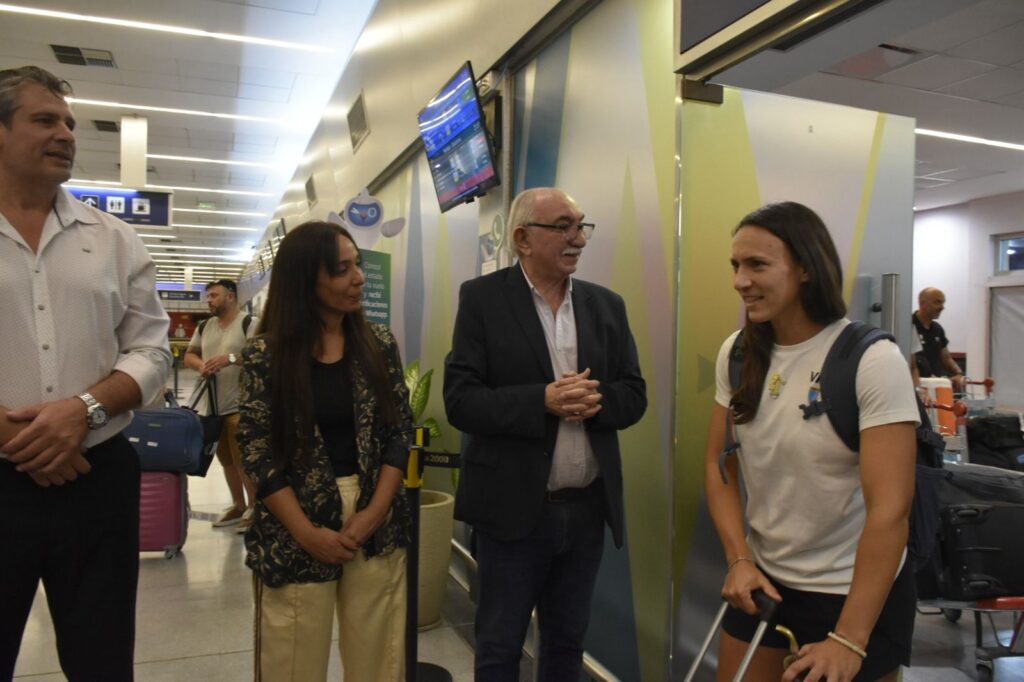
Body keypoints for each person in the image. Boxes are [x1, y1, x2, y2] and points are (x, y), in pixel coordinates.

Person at [0, 65, 171, 680]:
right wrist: (15, 434)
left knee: (101, 660)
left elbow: (153, 352)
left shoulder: (115, 240)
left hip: (96, 478)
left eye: (69, 123)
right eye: (45, 120)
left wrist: (83, 412)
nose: (67, 134)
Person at [705, 202, 919, 682]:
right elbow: (720, 467)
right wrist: (738, 558)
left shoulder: (872, 360)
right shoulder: (737, 352)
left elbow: (891, 512)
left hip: (852, 593)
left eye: (757, 264)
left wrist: (849, 639)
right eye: (736, 266)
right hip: (766, 581)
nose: (741, 280)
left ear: (805, 267)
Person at [443, 187, 647, 681]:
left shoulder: (607, 306)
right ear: (522, 238)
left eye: (582, 225)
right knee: (499, 644)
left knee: (565, 645)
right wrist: (543, 400)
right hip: (511, 514)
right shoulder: (483, 300)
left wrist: (595, 402)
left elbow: (634, 394)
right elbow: (461, 400)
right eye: (563, 226)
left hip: (584, 513)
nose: (578, 237)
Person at [236, 220, 413, 681]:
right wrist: (306, 532)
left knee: (380, 656)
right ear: (304, 279)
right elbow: (255, 449)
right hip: (295, 517)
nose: (358, 278)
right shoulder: (265, 355)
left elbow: (399, 432)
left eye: (357, 265)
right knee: (291, 657)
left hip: (373, 520)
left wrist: (373, 513)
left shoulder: (379, 345)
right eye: (341, 269)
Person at [185, 278, 257, 532]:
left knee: (243, 461)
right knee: (225, 459)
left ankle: (253, 507)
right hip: (212, 408)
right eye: (209, 297)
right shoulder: (204, 327)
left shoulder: (249, 324)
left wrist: (230, 359)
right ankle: (238, 504)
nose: (210, 301)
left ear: (231, 296)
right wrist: (201, 365)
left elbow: (259, 357)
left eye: (214, 296)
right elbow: (189, 355)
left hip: (240, 406)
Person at [911, 287, 964, 390]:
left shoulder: (937, 329)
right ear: (923, 303)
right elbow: (912, 364)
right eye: (937, 302)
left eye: (943, 303)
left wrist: (959, 374)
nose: (942, 307)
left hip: (935, 386)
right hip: (917, 386)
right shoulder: (909, 326)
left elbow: (946, 358)